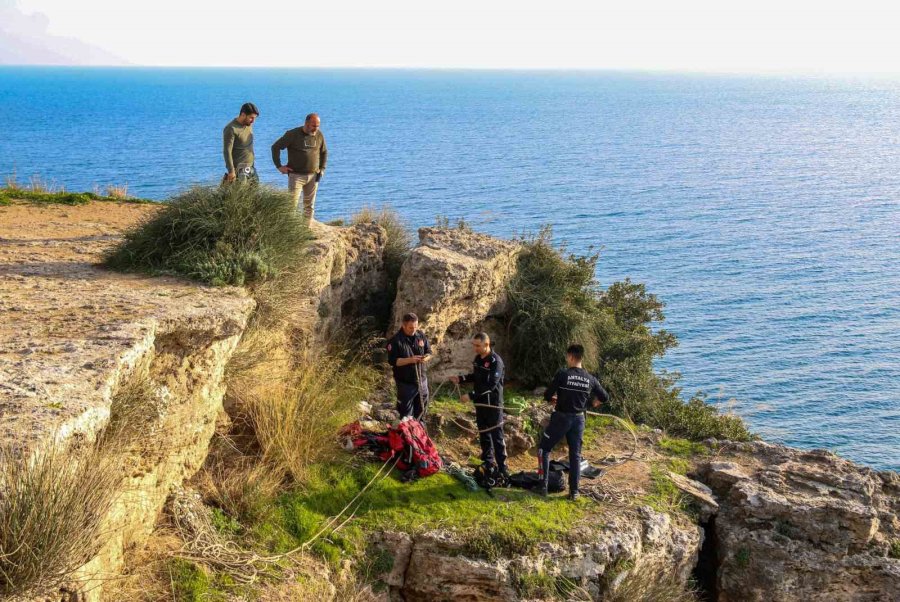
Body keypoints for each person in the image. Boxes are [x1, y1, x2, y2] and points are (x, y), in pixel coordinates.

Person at [538, 343, 609, 500]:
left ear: (570, 356)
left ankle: (543, 486)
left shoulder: (563, 374)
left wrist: (553, 399)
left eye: (567, 357)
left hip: (561, 417)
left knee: (544, 449)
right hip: (578, 419)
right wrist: (592, 403)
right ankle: (574, 492)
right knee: (575, 455)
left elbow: (547, 394)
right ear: (581, 358)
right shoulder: (590, 378)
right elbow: (604, 397)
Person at [449, 333, 508, 480]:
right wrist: (461, 379)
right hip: (480, 404)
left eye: (478, 345)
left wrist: (471, 395)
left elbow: (491, 385)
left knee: (497, 436)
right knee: (484, 434)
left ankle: (503, 468)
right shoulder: (478, 359)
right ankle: (488, 463)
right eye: (474, 345)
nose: (475, 348)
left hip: (493, 405)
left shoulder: (496, 361)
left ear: (486, 344)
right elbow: (476, 377)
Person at [271, 113, 328, 222]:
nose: (316, 129)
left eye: (318, 126)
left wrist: (322, 169)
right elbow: (275, 147)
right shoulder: (292, 134)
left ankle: (306, 229)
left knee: (309, 206)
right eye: (314, 126)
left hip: (313, 176)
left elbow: (324, 152)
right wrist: (279, 166)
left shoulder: (319, 135)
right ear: (306, 123)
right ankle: (290, 230)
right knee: (291, 206)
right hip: (296, 176)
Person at [386, 313, 433, 419]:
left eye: (416, 327)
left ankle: (420, 428)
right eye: (411, 327)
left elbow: (429, 352)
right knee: (406, 415)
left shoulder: (420, 335)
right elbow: (393, 361)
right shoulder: (395, 341)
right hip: (405, 383)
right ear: (403, 325)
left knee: (421, 413)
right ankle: (407, 429)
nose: (414, 330)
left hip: (422, 380)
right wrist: (410, 360)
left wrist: (426, 357)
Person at [222, 102, 259, 183]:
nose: (253, 121)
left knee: (257, 190)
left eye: (255, 118)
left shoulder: (248, 125)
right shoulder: (231, 129)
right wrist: (231, 171)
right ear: (243, 114)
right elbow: (227, 151)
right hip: (239, 170)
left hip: (251, 168)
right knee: (240, 191)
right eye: (251, 118)